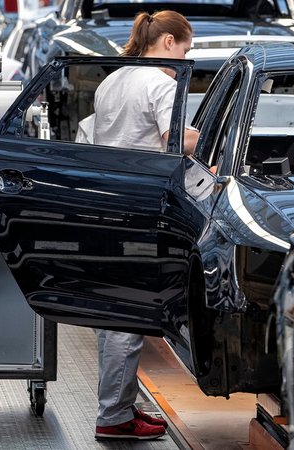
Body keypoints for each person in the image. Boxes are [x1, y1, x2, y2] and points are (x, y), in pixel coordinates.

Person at [91, 10, 199, 440]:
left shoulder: (113, 79)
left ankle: (117, 405)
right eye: (186, 49)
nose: (183, 58)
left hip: (106, 204)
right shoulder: (159, 82)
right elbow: (177, 140)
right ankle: (114, 419)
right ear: (169, 42)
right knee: (128, 315)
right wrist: (215, 133)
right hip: (137, 207)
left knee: (110, 312)